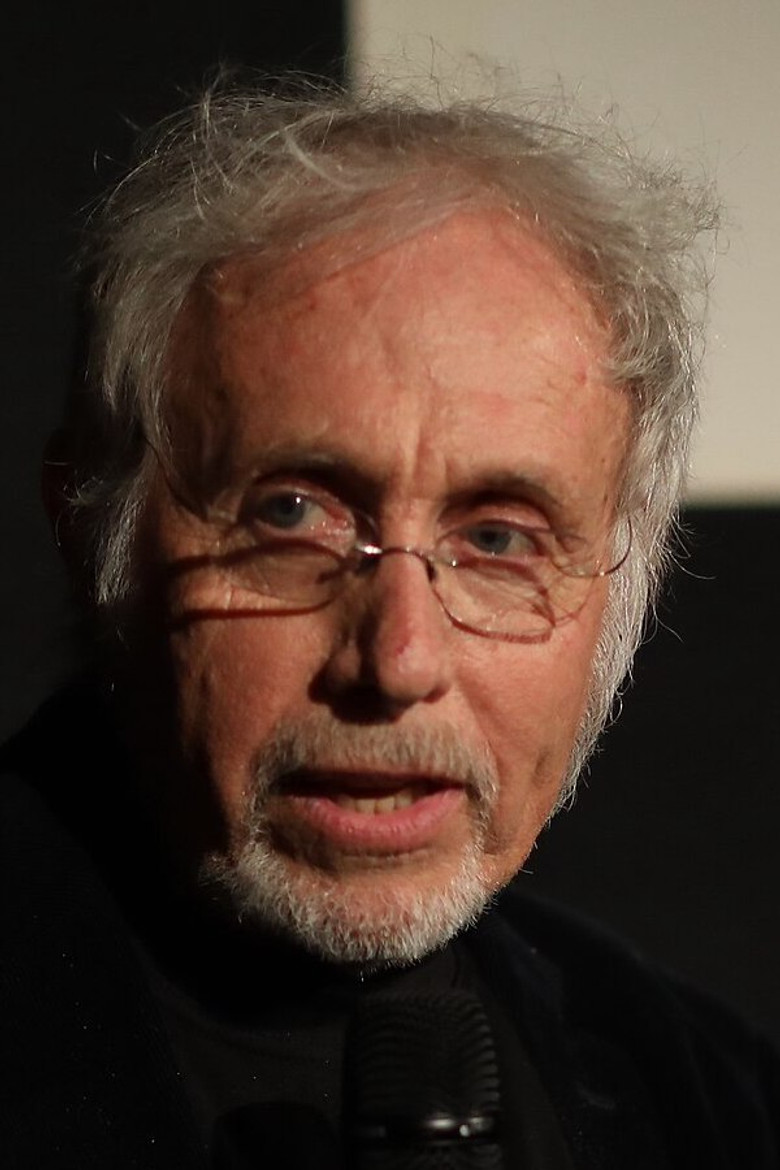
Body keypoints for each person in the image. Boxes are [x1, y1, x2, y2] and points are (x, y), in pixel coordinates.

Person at [1, 80, 777, 1169]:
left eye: (499, 540)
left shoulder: (710, 1095)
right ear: (90, 531)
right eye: (292, 516)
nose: (399, 659)